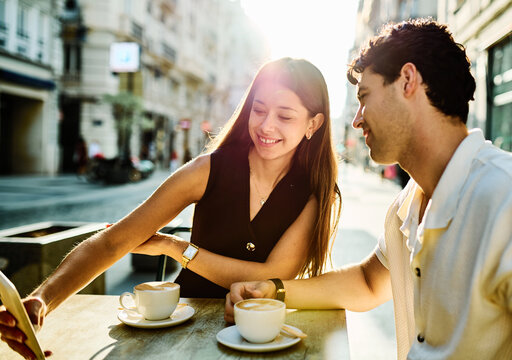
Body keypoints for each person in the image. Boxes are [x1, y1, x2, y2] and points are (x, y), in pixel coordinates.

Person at [0, 57, 341, 358]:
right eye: (260, 109)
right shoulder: (207, 169)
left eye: (285, 116)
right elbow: (112, 242)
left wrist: (175, 248)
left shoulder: (318, 192)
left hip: (262, 340)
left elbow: (271, 277)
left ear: (313, 123)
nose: (266, 126)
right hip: (181, 331)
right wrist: (43, 300)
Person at [225, 19, 512, 360]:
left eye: (365, 97)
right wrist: (275, 290)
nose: (357, 119)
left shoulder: (502, 198)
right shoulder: (409, 202)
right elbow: (367, 281)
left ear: (408, 80)